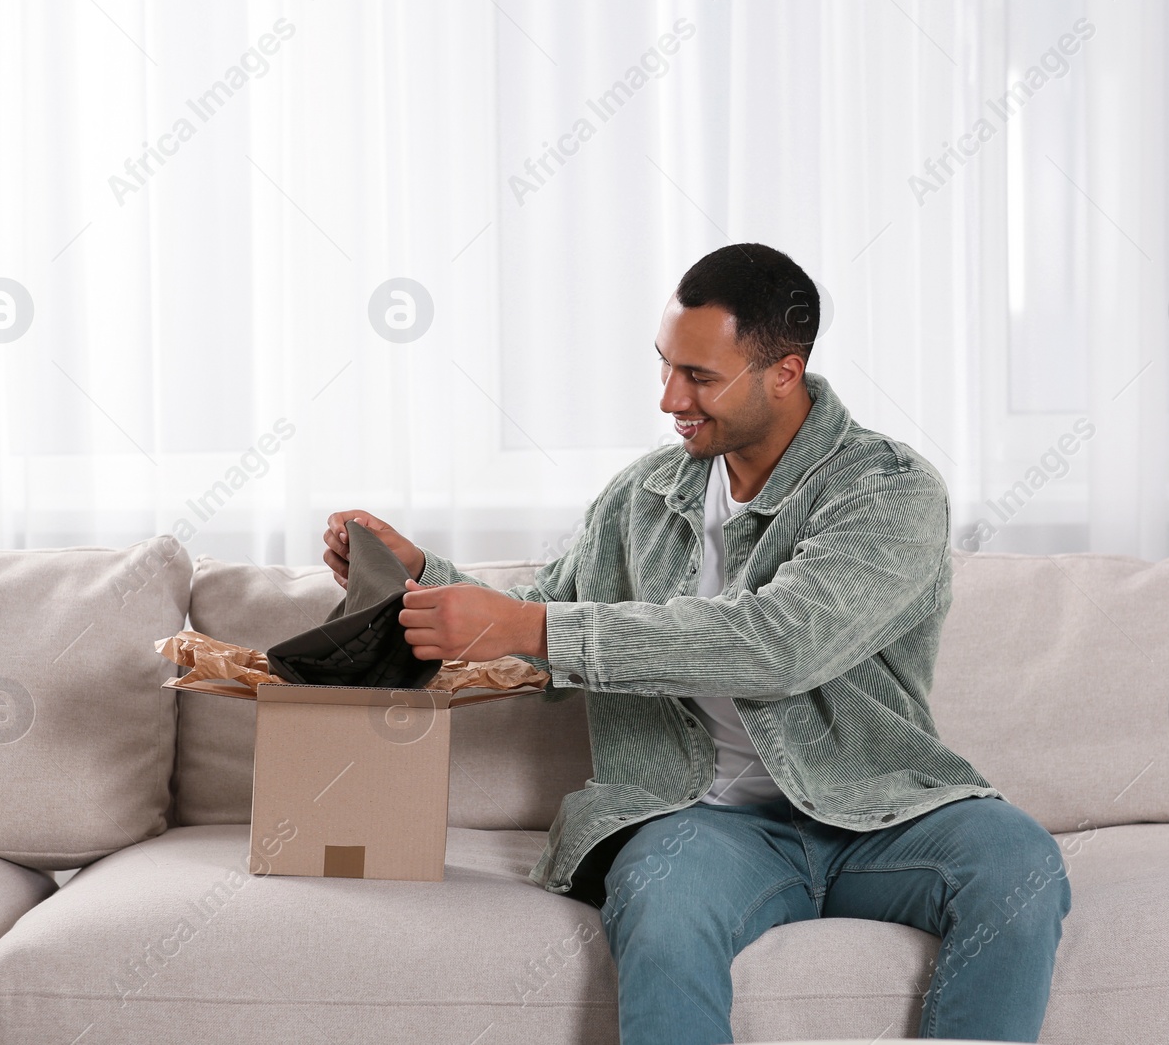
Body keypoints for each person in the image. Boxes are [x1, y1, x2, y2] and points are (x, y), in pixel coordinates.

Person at [322, 243, 1070, 1043]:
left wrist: (533, 626)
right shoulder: (645, 493)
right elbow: (546, 614)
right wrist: (421, 575)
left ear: (786, 370)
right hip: (698, 817)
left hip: (874, 805)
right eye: (665, 366)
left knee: (1019, 864)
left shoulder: (887, 490)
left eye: (700, 377)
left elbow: (778, 643)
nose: (670, 397)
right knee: (664, 904)